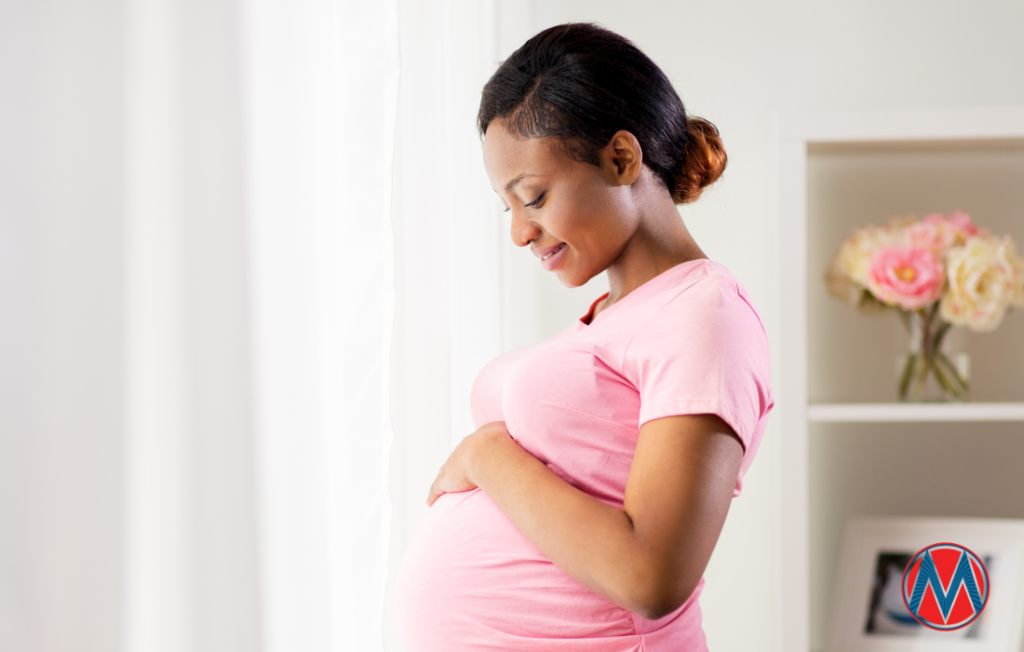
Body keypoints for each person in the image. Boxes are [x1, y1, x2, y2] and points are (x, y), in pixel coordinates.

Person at [394, 21, 774, 651]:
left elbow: (650, 575)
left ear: (621, 158)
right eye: (507, 206)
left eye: (534, 197)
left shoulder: (705, 313)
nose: (519, 232)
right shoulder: (623, 313)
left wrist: (488, 457)